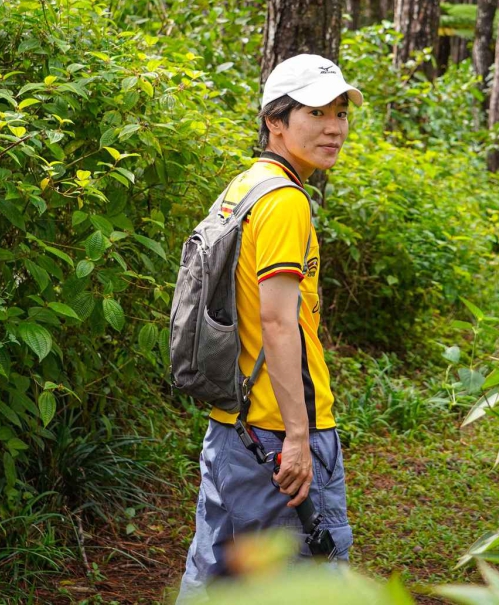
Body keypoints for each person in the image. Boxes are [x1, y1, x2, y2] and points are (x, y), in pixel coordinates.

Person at [177, 54, 362, 601]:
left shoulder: (246, 186)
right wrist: (300, 439)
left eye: (340, 113)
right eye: (315, 112)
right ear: (274, 121)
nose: (333, 127)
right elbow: (279, 323)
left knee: (214, 578)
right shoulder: (285, 202)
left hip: (232, 428)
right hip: (278, 440)